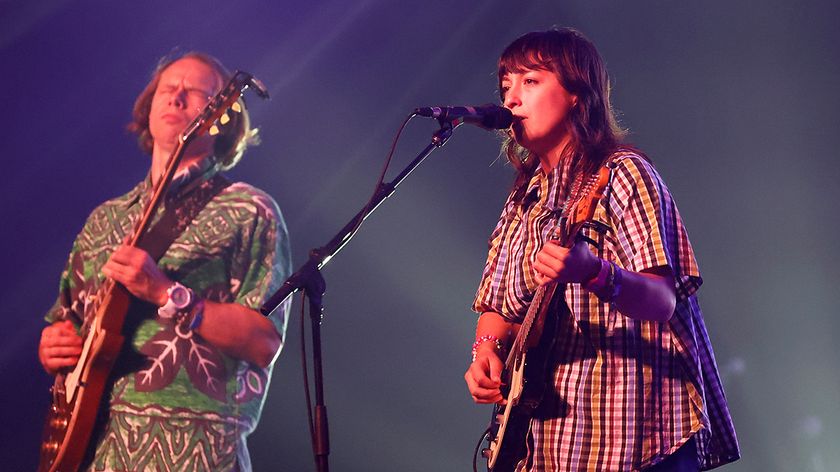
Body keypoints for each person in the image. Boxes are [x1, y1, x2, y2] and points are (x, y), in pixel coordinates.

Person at [464, 29, 740, 471]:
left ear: (577, 93)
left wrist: (595, 273)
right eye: (505, 87)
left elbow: (663, 298)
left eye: (530, 81)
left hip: (635, 436)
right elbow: (497, 306)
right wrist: (485, 350)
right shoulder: (524, 199)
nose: (511, 99)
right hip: (552, 439)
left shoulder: (624, 174)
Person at [37, 52, 291, 471]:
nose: (176, 98)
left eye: (196, 94)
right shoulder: (106, 218)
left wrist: (165, 292)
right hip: (99, 449)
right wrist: (54, 346)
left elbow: (263, 342)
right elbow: (66, 321)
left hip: (197, 453)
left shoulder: (249, 210)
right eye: (167, 89)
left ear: (222, 116)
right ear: (149, 106)